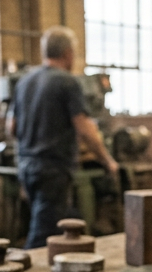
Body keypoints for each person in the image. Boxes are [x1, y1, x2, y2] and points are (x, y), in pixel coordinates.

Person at [7, 26, 119, 249]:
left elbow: (11, 127)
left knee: (57, 219)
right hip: (53, 169)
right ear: (68, 53)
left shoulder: (24, 82)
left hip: (26, 166)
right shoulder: (68, 82)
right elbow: (85, 128)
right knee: (43, 234)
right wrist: (108, 161)